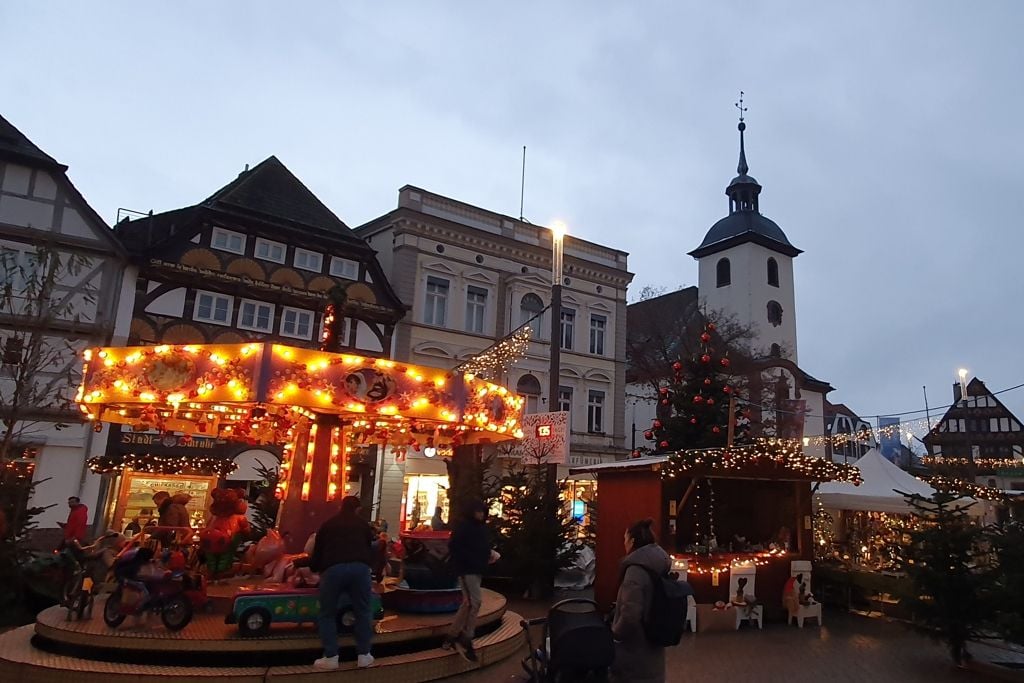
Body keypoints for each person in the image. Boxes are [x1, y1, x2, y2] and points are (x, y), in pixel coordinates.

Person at [310, 495, 376, 670]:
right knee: (363, 610)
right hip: (360, 568)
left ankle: (331, 656)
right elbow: (370, 546)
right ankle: (364, 654)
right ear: (358, 509)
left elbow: (318, 550)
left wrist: (315, 568)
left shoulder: (328, 525)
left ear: (341, 506)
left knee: (327, 613)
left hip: (333, 569)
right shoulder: (363, 525)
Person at [611, 518, 672, 683]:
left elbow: (631, 614)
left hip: (634, 654)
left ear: (632, 541)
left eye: (625, 539)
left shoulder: (635, 570)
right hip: (654, 649)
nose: (624, 543)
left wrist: (615, 633)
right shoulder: (658, 564)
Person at [443, 499, 492, 663]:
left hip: (476, 569)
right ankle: (466, 636)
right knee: (474, 602)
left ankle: (452, 635)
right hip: (467, 569)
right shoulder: (464, 528)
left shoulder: (481, 529)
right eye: (477, 511)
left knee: (469, 603)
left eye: (482, 511)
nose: (480, 514)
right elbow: (455, 547)